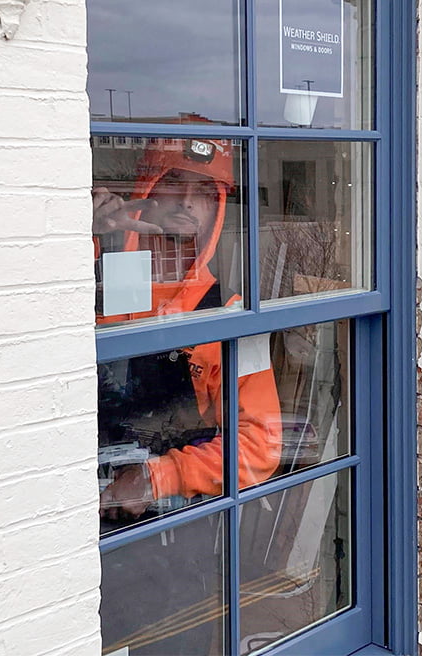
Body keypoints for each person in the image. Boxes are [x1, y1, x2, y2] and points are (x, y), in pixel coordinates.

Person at [93, 138, 282, 654]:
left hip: (178, 536)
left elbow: (260, 446)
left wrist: (158, 477)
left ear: (220, 209)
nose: (185, 201)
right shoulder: (90, 276)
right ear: (145, 191)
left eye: (204, 191)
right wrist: (91, 239)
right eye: (174, 182)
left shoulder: (235, 313)